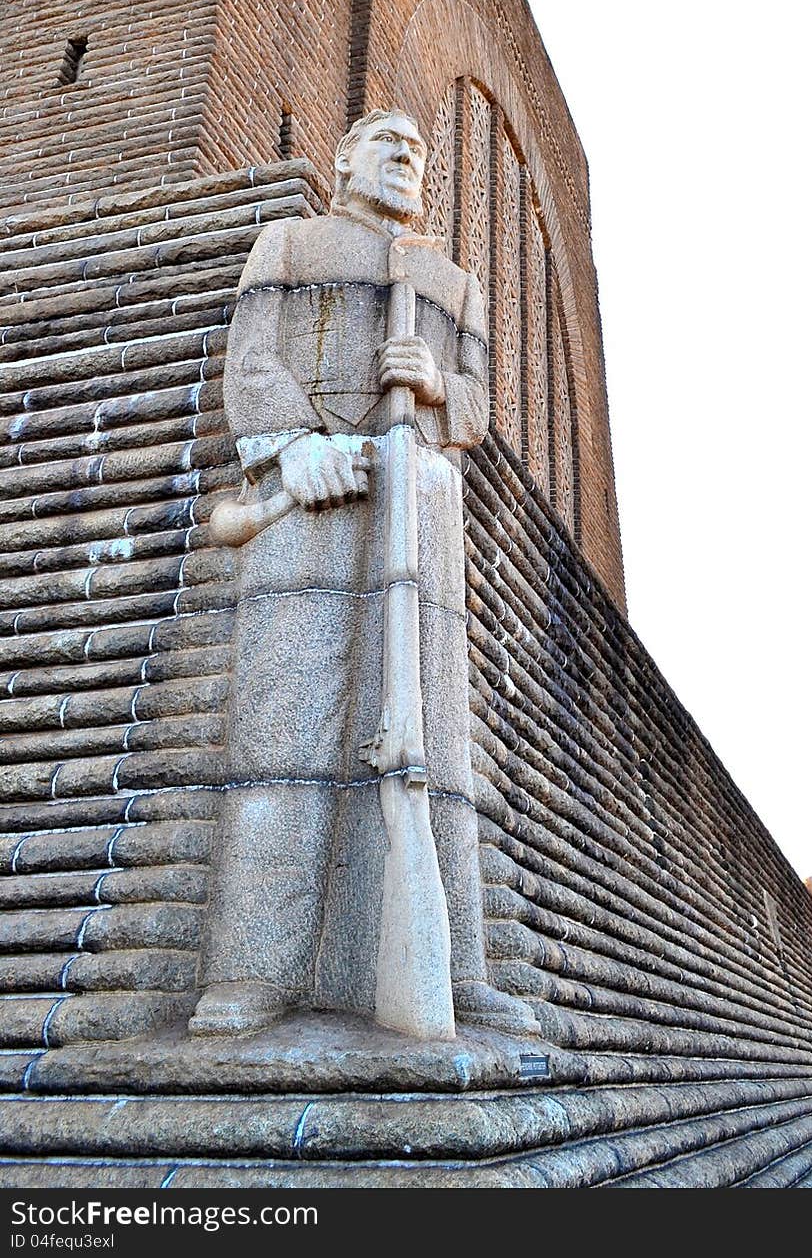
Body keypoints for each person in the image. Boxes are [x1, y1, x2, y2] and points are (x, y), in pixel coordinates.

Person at [189, 108, 536, 1036]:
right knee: (287, 717)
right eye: (387, 143)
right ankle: (255, 966)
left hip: (418, 495)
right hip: (311, 494)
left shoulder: (453, 284)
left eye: (418, 150)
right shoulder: (290, 244)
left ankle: (455, 969)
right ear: (345, 161)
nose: (406, 157)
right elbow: (251, 358)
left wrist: (434, 384)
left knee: (435, 750)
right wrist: (294, 447)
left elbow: (475, 406)